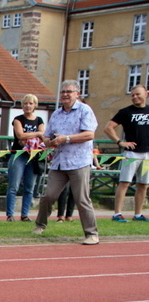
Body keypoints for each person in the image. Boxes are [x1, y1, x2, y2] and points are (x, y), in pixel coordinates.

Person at [32, 80, 99, 245]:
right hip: (59, 161)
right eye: (63, 92)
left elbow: (89, 134)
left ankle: (91, 234)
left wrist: (66, 138)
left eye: (69, 92)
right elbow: (46, 136)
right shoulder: (56, 114)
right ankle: (40, 225)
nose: (65, 95)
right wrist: (49, 141)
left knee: (81, 199)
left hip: (79, 161)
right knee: (48, 196)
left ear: (77, 94)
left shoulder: (85, 110)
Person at [103, 85, 149, 222]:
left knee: (143, 184)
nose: (135, 97)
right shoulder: (125, 112)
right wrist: (120, 142)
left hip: (147, 154)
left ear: (146, 94)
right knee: (124, 182)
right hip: (131, 154)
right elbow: (108, 127)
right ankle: (117, 213)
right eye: (133, 95)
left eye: (138, 94)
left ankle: (138, 214)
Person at [5, 94, 44, 222]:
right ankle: (10, 214)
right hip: (19, 155)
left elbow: (42, 135)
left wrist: (36, 135)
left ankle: (25, 214)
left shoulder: (39, 120)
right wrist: (36, 134)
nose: (28, 106)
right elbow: (20, 135)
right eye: (26, 103)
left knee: (29, 187)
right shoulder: (18, 119)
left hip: (33, 156)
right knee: (13, 186)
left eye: (30, 103)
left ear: (35, 105)